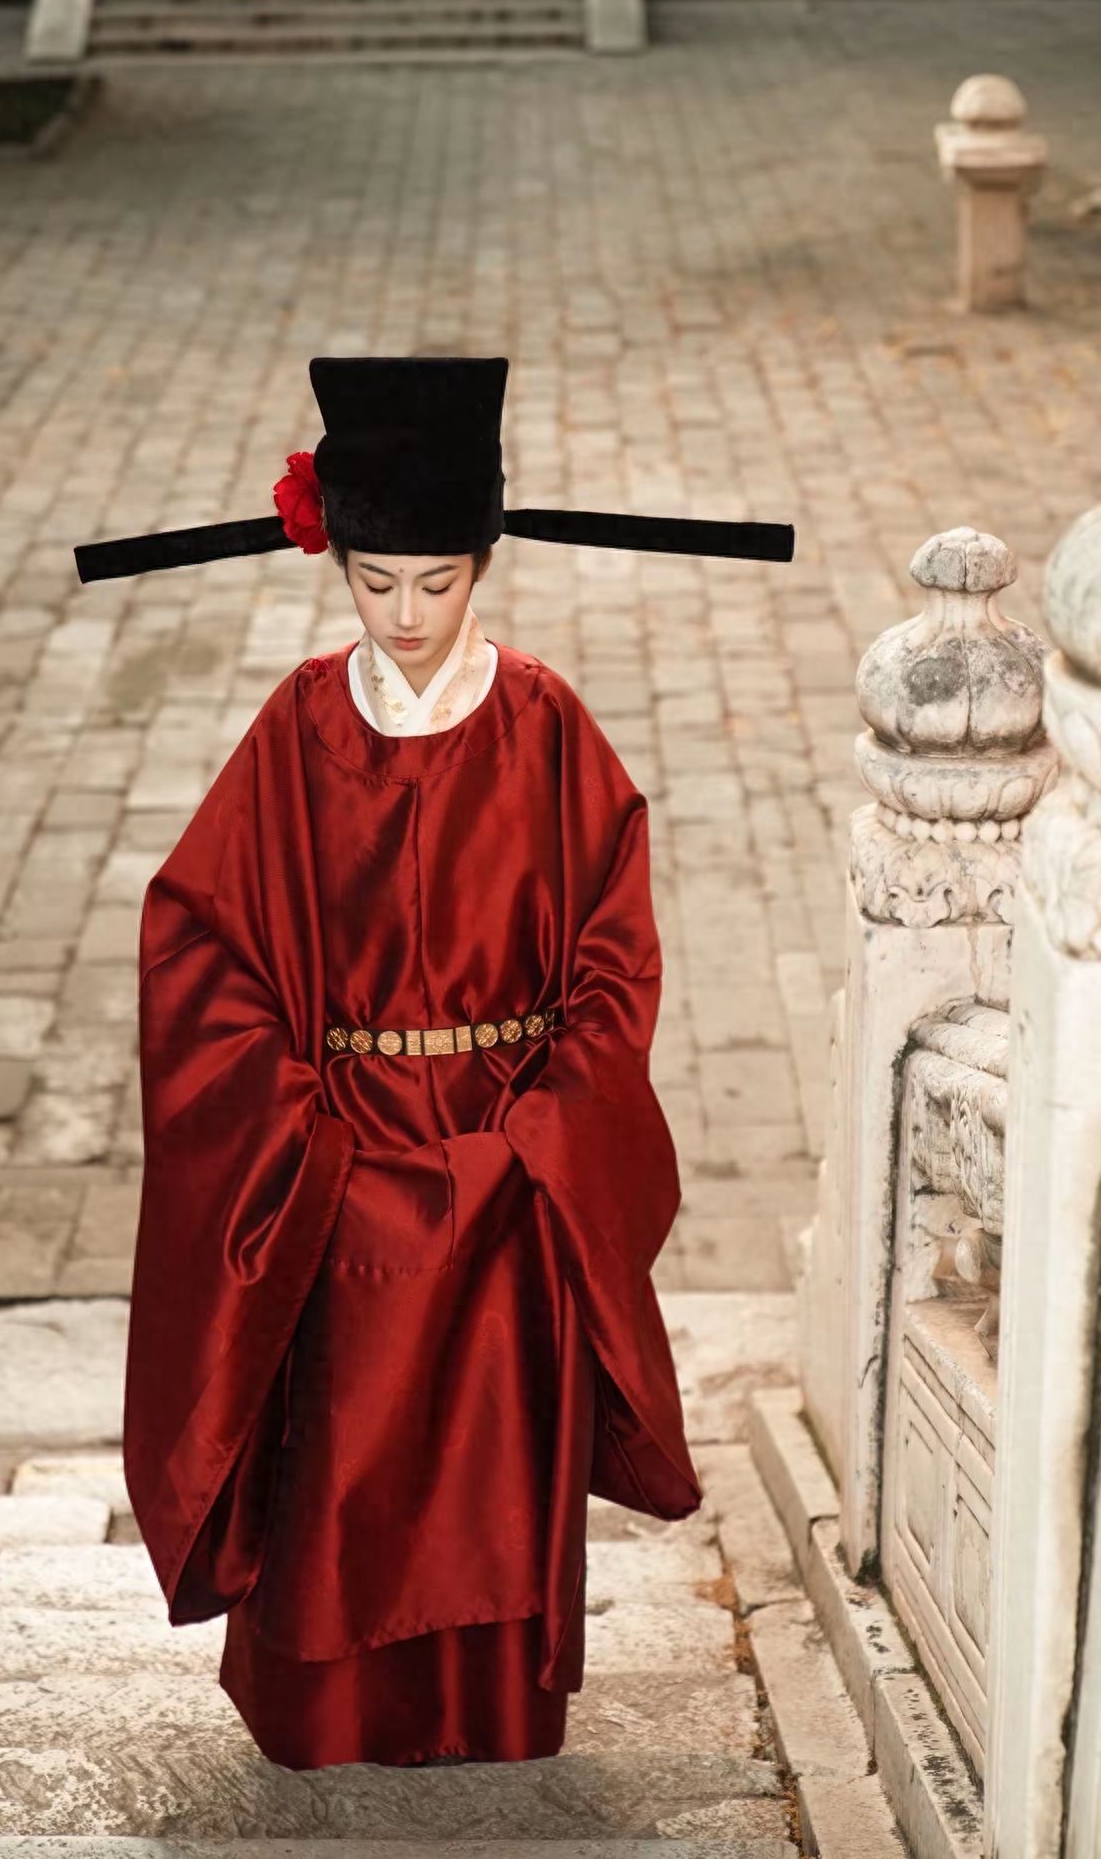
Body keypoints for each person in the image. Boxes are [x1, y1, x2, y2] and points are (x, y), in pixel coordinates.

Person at [73, 356, 793, 1771]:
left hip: (510, 1156)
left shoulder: (546, 725)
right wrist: (300, 1133)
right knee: (340, 1456)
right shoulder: (296, 728)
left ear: (484, 564)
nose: (406, 617)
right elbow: (199, 942)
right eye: (376, 582)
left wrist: (542, 1133)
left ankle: (493, 1711)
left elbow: (613, 960)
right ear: (337, 563)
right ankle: (327, 1717)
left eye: (438, 582)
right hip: (335, 1157)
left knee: (488, 1457)